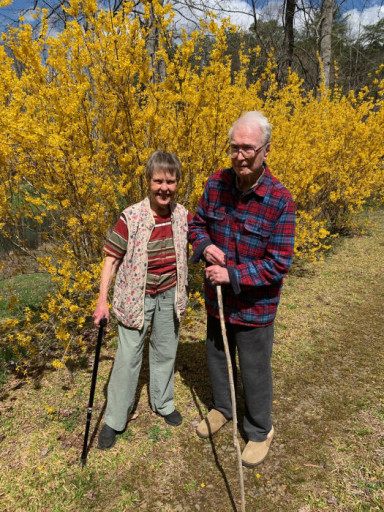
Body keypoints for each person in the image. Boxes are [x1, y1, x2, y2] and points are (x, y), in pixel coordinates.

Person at [188, 111, 295, 467]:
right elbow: (197, 223)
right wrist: (204, 246)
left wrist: (232, 275)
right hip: (217, 303)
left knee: (254, 369)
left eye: (248, 148)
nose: (240, 156)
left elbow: (278, 264)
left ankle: (260, 428)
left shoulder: (280, 200)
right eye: (234, 148)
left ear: (265, 150)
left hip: (254, 308)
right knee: (217, 360)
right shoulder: (217, 183)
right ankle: (223, 408)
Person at [93, 150, 192, 450]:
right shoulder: (131, 216)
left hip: (169, 295)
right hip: (135, 298)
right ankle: (114, 419)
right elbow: (111, 259)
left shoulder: (182, 215)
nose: (164, 188)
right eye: (159, 181)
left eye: (170, 182)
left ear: (177, 184)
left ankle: (163, 403)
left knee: (165, 352)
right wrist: (102, 301)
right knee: (127, 358)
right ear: (148, 181)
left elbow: (197, 240)